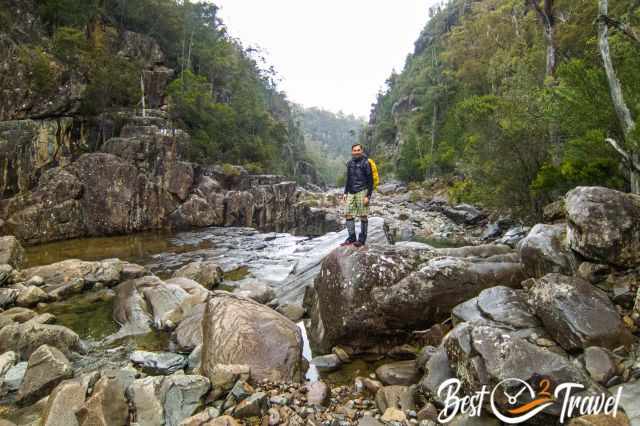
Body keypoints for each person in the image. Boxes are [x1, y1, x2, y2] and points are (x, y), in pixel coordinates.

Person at [341, 143, 374, 247]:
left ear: (361, 151)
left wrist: (368, 196)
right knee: (347, 213)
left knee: (363, 215)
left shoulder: (366, 163)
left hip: (362, 191)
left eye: (358, 150)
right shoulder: (350, 163)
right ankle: (351, 237)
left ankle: (362, 239)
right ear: (352, 152)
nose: (356, 152)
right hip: (351, 191)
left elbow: (371, 181)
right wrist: (345, 193)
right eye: (354, 150)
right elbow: (348, 179)